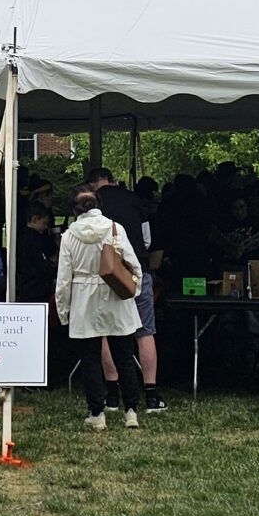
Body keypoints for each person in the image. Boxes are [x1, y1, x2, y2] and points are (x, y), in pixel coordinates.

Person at [55, 190, 145, 430]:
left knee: (90, 359)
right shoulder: (115, 229)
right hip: (115, 295)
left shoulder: (68, 236)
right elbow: (134, 265)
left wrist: (63, 311)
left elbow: (63, 279)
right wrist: (133, 291)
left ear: (75, 211)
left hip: (84, 299)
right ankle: (131, 411)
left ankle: (97, 413)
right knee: (125, 357)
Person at [86, 166, 165, 413]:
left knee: (107, 334)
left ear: (92, 185)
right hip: (136, 271)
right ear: (111, 180)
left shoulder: (93, 205)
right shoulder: (133, 199)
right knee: (144, 332)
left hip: (107, 274)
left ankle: (112, 395)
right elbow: (147, 239)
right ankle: (151, 394)